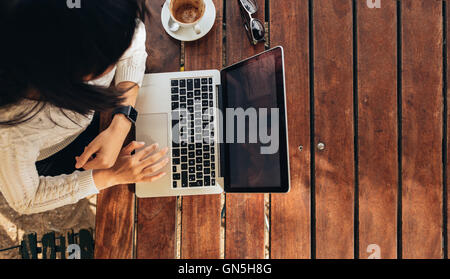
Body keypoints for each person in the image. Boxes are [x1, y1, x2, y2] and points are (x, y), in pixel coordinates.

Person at [0, 0, 168, 215]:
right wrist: (112, 175)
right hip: (52, 155)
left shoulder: (90, 17)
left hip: (95, 115)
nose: (120, 51)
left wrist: (121, 123)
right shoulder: (10, 133)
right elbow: (27, 199)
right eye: (111, 57)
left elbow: (132, 42)